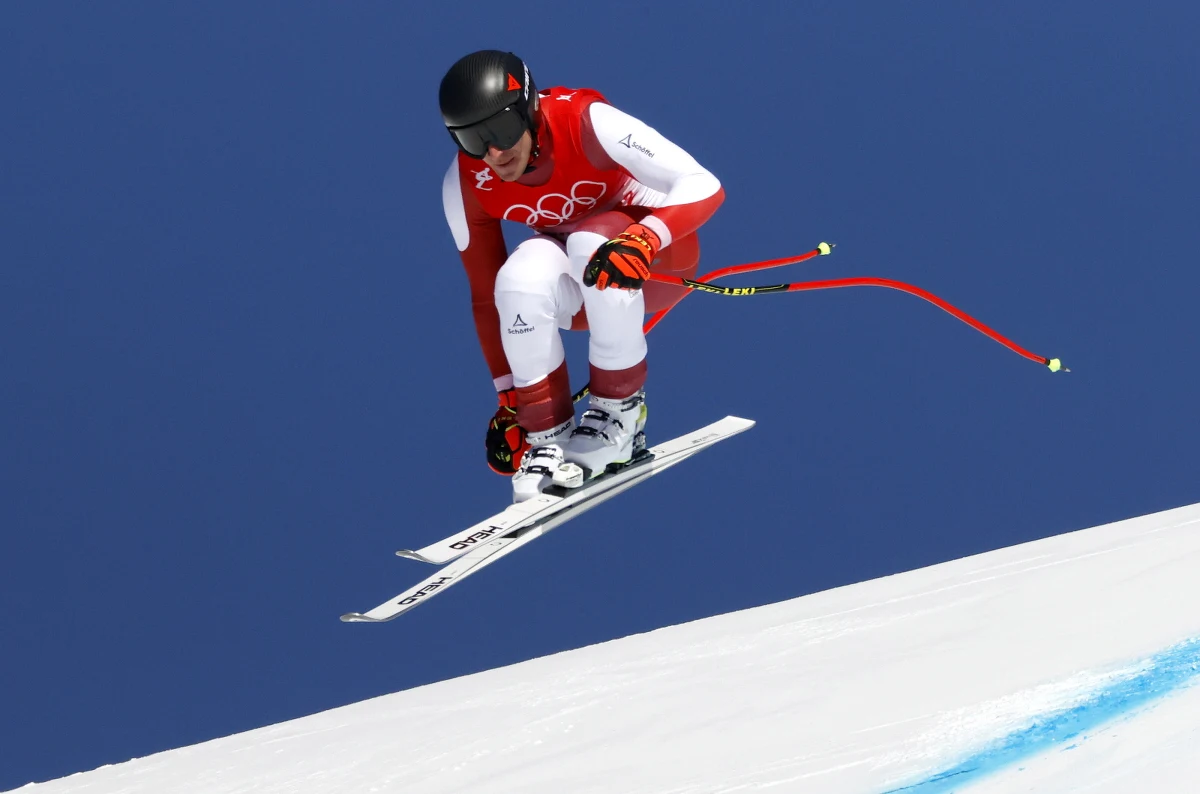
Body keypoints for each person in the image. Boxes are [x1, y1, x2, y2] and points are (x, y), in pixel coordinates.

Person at [439, 50, 724, 502]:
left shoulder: (584, 121)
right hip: (584, 282)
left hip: (655, 262)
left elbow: (702, 182)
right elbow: (483, 299)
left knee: (591, 243)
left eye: (502, 129)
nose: (493, 151)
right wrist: (511, 401)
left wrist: (646, 238)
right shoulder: (468, 183)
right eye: (472, 138)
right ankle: (547, 440)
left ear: (530, 109)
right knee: (518, 279)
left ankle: (620, 416)